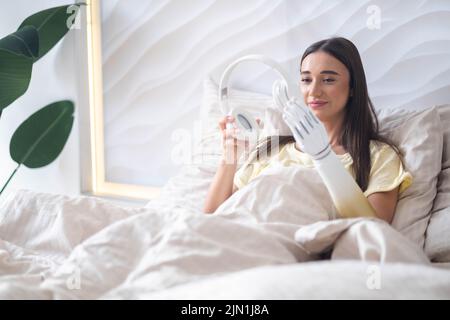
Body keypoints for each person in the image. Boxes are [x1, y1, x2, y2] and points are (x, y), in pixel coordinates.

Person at [203, 37, 412, 223]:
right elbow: (211, 221)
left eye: (328, 80)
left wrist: (323, 157)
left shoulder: (378, 156)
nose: (314, 91)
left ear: (353, 88)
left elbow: (373, 232)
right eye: (305, 80)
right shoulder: (272, 149)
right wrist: (229, 156)